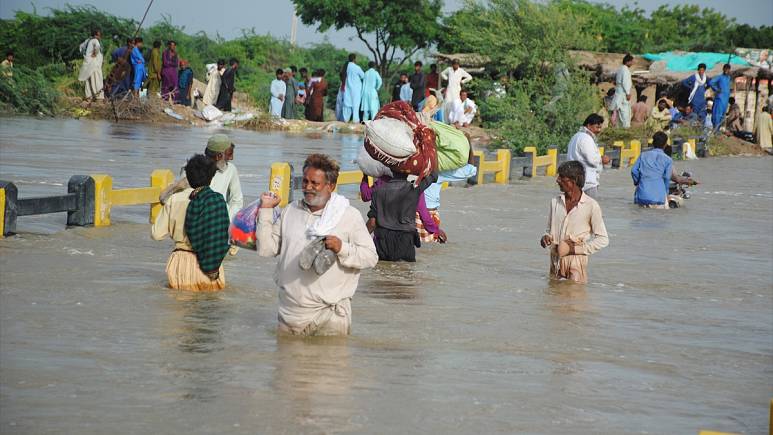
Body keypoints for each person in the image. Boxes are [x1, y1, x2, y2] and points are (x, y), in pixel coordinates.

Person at [257, 154, 378, 336]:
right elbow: (267, 249)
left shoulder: (348, 216)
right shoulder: (290, 211)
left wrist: (341, 248)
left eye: (315, 183)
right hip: (290, 314)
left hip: (329, 316)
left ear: (330, 186)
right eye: (305, 181)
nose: (308, 187)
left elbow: (370, 257)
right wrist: (265, 210)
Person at [152, 154, 230, 291]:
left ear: (187, 176)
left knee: (180, 307)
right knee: (211, 308)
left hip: (181, 263)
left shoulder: (174, 200)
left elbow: (157, 234)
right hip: (211, 265)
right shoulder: (217, 201)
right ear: (211, 178)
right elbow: (227, 237)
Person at [540, 161, 608, 284]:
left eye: (562, 177)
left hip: (576, 263)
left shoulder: (591, 206)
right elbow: (549, 230)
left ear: (574, 180)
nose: (557, 180)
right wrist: (546, 238)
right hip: (555, 262)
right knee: (553, 299)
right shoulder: (555, 202)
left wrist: (575, 250)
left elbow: (603, 239)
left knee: (575, 299)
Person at [160, 134, 244, 222]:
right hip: (194, 221)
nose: (232, 158)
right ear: (218, 156)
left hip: (220, 220)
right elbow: (179, 198)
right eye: (229, 154)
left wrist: (226, 220)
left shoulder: (231, 169)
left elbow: (237, 201)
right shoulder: (192, 167)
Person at [367, 171, 438, 262]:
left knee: (383, 272)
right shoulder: (414, 190)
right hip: (405, 243)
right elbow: (434, 175)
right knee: (404, 272)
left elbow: (372, 223)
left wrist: (360, 239)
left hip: (382, 243)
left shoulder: (378, 192)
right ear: (408, 171)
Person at [419, 151, 477, 244]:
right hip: (427, 216)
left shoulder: (411, 171)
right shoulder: (438, 173)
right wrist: (469, 148)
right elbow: (470, 170)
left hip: (410, 216)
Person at [566, 114, 610, 198]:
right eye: (597, 127)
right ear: (589, 125)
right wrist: (602, 159)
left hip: (575, 180)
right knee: (590, 209)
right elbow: (592, 160)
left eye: (600, 127)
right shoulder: (585, 138)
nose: (599, 130)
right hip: (587, 182)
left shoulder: (576, 136)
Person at [631, 132, 672, 208]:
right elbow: (667, 178)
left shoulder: (643, 155)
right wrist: (666, 194)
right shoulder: (668, 159)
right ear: (665, 145)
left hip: (642, 195)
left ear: (653, 143)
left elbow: (634, 170)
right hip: (659, 197)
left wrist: (637, 182)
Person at [77, 29, 104, 100]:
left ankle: (89, 96)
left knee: (88, 80)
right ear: (95, 35)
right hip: (94, 64)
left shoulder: (87, 40)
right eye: (98, 35)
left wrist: (86, 54)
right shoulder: (95, 41)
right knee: (97, 79)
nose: (99, 37)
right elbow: (97, 46)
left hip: (87, 63)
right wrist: (94, 53)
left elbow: (80, 47)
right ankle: (99, 97)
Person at [611, 54, 634, 128]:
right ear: (628, 61)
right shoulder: (625, 70)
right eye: (631, 61)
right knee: (625, 114)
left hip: (619, 93)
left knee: (619, 113)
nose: (632, 63)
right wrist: (628, 93)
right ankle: (624, 130)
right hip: (623, 94)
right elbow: (625, 82)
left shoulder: (620, 69)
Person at [709, 64, 732, 132]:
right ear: (723, 69)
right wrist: (716, 89)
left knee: (722, 115)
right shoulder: (720, 77)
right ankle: (715, 129)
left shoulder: (728, 78)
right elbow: (711, 82)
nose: (727, 71)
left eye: (728, 69)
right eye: (725, 69)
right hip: (720, 98)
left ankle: (718, 129)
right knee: (717, 114)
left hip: (726, 99)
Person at [343, 54, 365, 123]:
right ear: (354, 59)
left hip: (348, 88)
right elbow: (363, 76)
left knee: (347, 104)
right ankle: (355, 121)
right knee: (355, 105)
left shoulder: (346, 67)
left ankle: (345, 120)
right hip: (356, 89)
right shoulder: (356, 67)